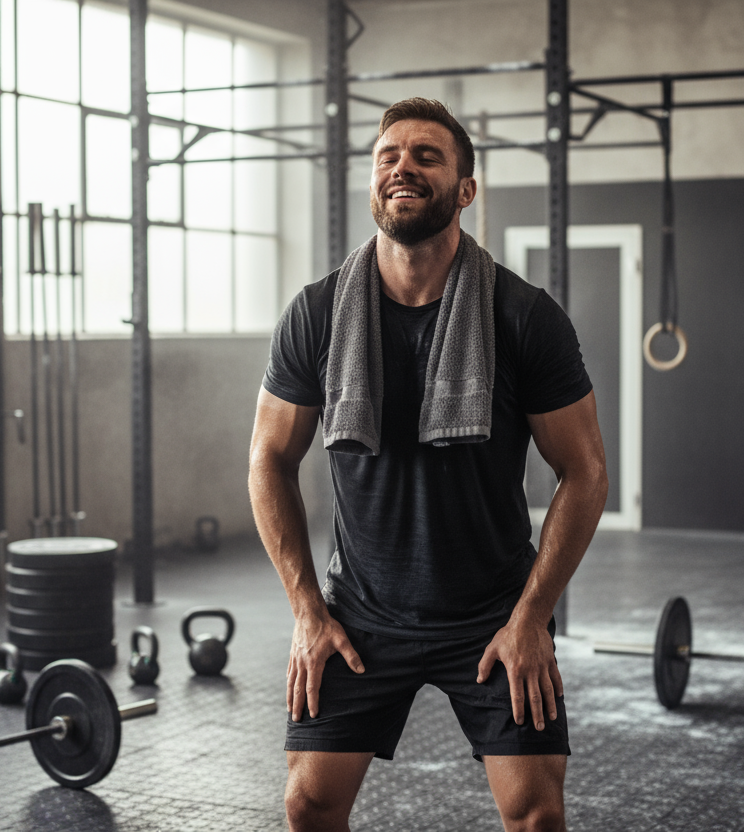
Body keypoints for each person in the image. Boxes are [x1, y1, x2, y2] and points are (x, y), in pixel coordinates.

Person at [248, 97, 608, 832]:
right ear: (373, 182)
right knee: (308, 804)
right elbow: (267, 459)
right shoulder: (316, 314)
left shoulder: (523, 316)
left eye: (426, 156)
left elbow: (586, 470)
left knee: (536, 816)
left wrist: (532, 618)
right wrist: (307, 613)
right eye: (388, 156)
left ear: (464, 190)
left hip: (493, 611)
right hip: (362, 611)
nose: (402, 167)